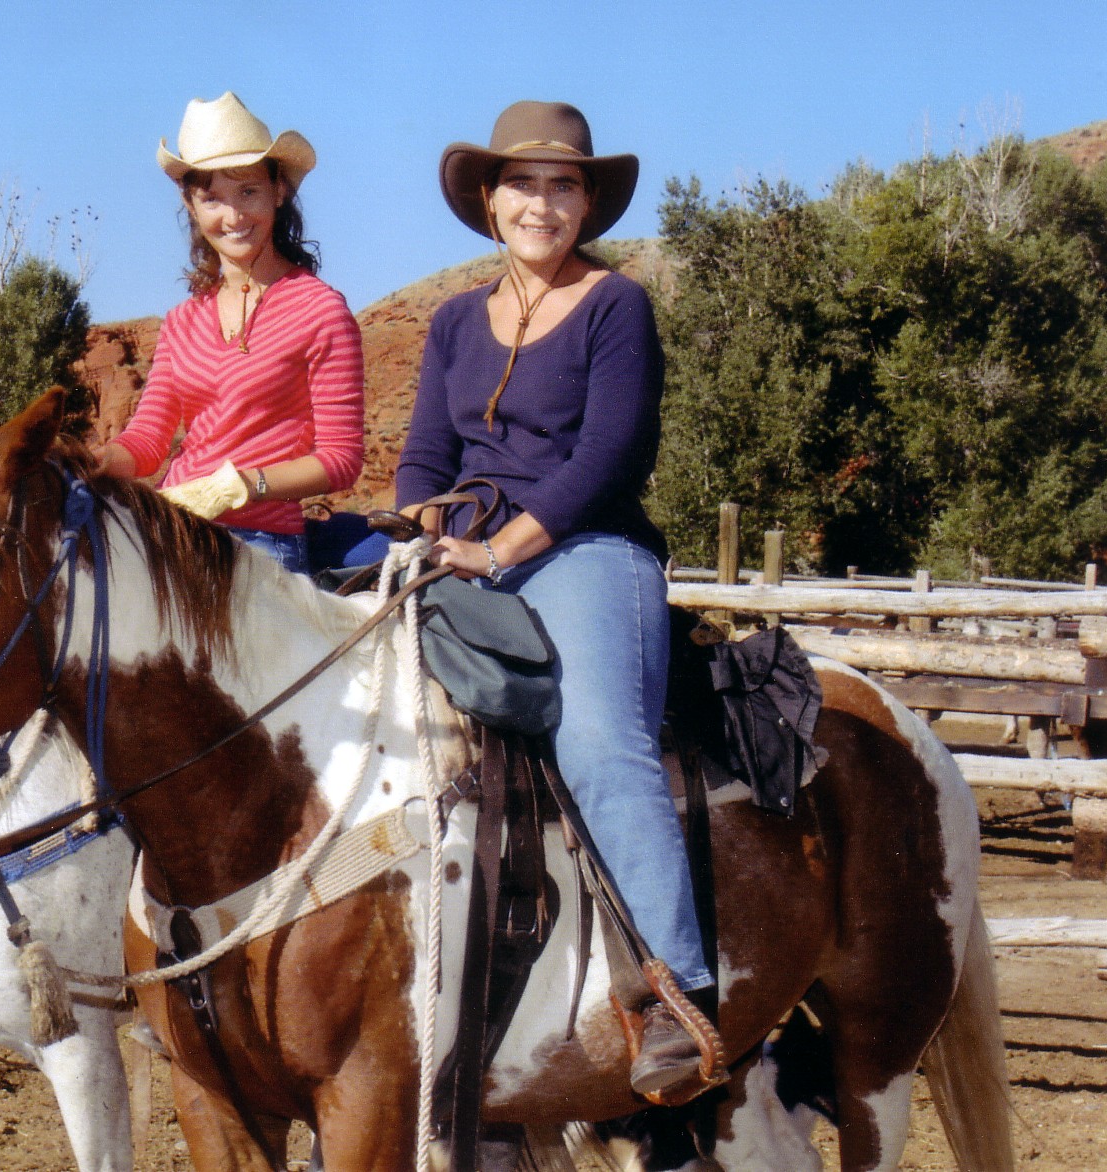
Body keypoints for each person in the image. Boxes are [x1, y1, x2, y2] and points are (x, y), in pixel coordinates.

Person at [395, 100, 717, 1098]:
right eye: (522, 184)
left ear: (587, 202)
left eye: (563, 184)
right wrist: (422, 530)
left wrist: (499, 551)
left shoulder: (616, 307)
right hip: (467, 546)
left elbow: (607, 453)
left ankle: (670, 989)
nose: (542, 203)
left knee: (596, 739)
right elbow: (423, 454)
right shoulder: (452, 320)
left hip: (584, 548)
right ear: (488, 202)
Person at [93, 92, 365, 573]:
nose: (234, 216)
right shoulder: (182, 321)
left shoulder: (320, 310)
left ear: (279, 191)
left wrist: (240, 485)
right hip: (171, 528)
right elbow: (149, 442)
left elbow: (341, 458)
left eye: (248, 192)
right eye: (212, 197)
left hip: (262, 543)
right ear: (190, 204)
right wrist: (89, 462)